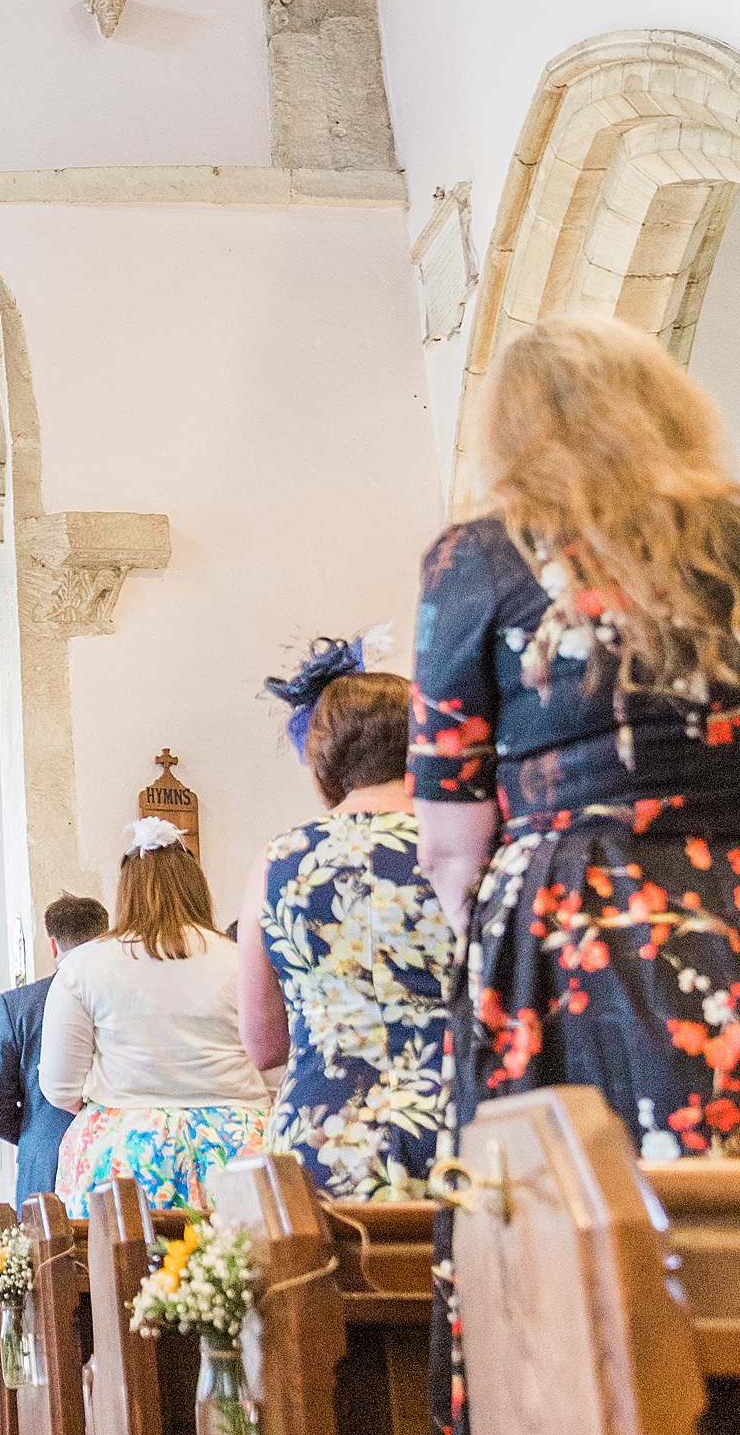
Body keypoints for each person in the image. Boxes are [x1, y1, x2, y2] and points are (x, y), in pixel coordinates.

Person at [415, 316, 740, 1236]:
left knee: (578, 1232)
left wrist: (492, 941)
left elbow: (450, 837)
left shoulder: (480, 557)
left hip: (583, 917)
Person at [237, 648, 453, 1199]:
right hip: (454, 1127)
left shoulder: (277, 860)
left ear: (324, 757)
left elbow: (263, 1047)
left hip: (320, 1132)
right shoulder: (456, 846)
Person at [40, 819, 267, 1213]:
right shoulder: (240, 958)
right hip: (237, 1150)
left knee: (125, 1270)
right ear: (198, 886)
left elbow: (60, 1087)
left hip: (126, 1156)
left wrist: (130, 1101)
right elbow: (274, 1062)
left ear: (123, 893)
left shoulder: (83, 966)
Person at [0, 892, 110, 1207]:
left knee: (47, 1253)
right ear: (106, 939)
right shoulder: (128, 995)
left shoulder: (20, 1006)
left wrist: (35, 1130)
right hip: (121, 1156)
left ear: (53, 945)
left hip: (46, 1161)